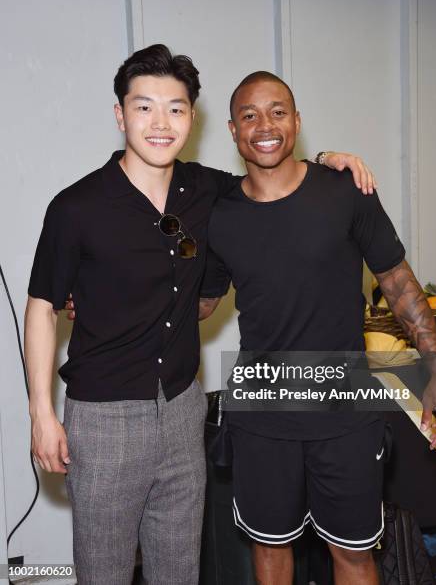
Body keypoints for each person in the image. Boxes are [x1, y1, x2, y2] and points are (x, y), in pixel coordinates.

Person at [25, 44, 376, 585]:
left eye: (176, 108)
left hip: (185, 410)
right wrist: (41, 414)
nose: (160, 123)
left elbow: (273, 163)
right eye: (144, 107)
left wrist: (331, 158)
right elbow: (43, 306)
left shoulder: (205, 189)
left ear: (193, 116)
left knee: (179, 572)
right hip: (104, 417)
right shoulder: (76, 208)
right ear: (120, 115)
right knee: (104, 573)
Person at [199, 71, 436, 585]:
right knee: (271, 552)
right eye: (249, 115)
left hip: (344, 407)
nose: (264, 125)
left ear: (297, 122)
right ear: (232, 130)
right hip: (262, 410)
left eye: (277, 112)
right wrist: (109, 301)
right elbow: (201, 302)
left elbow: (398, 280)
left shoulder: (346, 190)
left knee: (355, 554)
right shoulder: (219, 213)